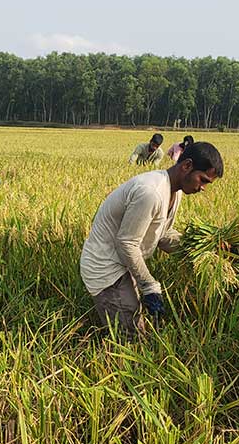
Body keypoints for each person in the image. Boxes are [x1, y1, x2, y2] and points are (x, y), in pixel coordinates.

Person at [81, 141, 224, 336]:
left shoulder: (174, 191)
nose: (203, 188)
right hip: (106, 267)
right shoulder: (151, 192)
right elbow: (126, 243)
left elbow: (162, 233)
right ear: (186, 166)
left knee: (136, 324)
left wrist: (201, 248)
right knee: (130, 335)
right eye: (203, 179)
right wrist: (149, 286)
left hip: (122, 263)